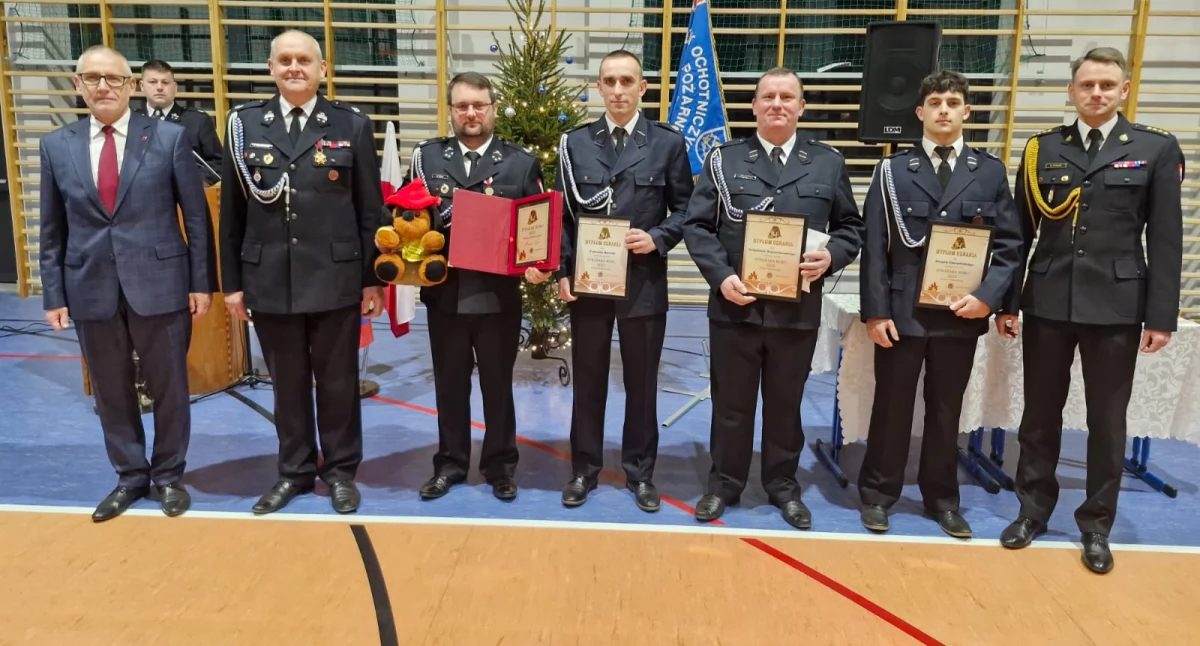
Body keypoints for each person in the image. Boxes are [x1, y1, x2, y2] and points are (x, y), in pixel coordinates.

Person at [996, 47, 1183, 574]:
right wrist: (1008, 303)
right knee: (1039, 416)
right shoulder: (1042, 150)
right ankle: (1032, 510)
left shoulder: (1154, 149)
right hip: (1050, 301)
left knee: (1106, 422)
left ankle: (1096, 525)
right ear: (1071, 92)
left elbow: (1167, 240)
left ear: (1124, 89)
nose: (1096, 93)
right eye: (1086, 85)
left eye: (1106, 85)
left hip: (1118, 308)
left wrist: (1160, 316)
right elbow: (1020, 234)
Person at [682, 67, 865, 529]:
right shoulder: (724, 160)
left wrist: (831, 259)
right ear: (755, 106)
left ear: (801, 106)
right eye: (768, 96)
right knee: (731, 406)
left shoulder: (827, 162)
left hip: (795, 311)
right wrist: (720, 276)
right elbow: (697, 226)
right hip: (735, 307)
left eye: (787, 97)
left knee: (786, 405)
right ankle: (724, 484)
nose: (777, 104)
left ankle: (783, 486)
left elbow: (851, 228)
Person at [39, 45, 214, 521]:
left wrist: (202, 282)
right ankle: (130, 476)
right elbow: (51, 228)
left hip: (161, 281)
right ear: (77, 85)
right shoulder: (56, 146)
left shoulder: (169, 138)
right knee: (111, 391)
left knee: (170, 386)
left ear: (131, 86)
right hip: (89, 285)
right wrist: (53, 293)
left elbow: (195, 219)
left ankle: (169, 476)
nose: (102, 86)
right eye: (91, 78)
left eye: (113, 78)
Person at [219, 30, 384, 515]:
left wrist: (374, 279)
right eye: (285, 60)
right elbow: (231, 214)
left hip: (336, 278)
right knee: (286, 385)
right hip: (270, 279)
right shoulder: (244, 125)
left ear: (323, 69)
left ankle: (339, 472)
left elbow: (368, 209)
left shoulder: (352, 125)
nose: (295, 68)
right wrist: (232, 284)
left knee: (337, 385)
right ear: (270, 68)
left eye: (305, 60)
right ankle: (293, 471)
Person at [856, 70, 1022, 538]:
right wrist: (876, 311)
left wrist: (988, 299)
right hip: (902, 311)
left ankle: (942, 498)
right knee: (891, 406)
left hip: (960, 312)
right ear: (920, 113)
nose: (944, 110)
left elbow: (1010, 245)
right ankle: (878, 494)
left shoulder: (988, 172)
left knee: (947, 409)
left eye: (953, 102)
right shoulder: (892, 170)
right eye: (935, 102)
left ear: (967, 111)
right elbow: (875, 246)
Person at [527, 49, 693, 512]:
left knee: (641, 383)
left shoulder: (667, 143)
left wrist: (658, 236)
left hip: (642, 280)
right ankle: (584, 469)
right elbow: (560, 214)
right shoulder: (575, 143)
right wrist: (561, 270)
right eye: (609, 81)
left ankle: (641, 474)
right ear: (598, 88)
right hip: (588, 282)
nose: (618, 90)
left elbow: (687, 210)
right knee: (590, 379)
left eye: (627, 81)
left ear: (643, 88)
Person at [408, 72, 544, 502]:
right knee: (449, 385)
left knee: (498, 386)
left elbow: (534, 227)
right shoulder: (426, 158)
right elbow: (410, 220)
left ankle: (501, 467)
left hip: (497, 297)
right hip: (444, 294)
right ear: (451, 110)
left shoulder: (521, 163)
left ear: (492, 109)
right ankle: (449, 465)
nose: (471, 113)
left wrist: (538, 265)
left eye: (479, 105)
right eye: (462, 105)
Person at [135, 59, 223, 184]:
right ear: (142, 86)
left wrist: (194, 184)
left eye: (165, 82)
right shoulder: (132, 120)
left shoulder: (197, 120)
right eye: (153, 82)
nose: (159, 87)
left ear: (175, 88)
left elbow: (218, 163)